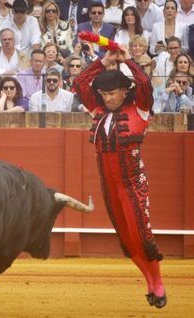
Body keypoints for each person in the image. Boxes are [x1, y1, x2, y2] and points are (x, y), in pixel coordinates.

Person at [73, 45, 167, 309]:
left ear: (124, 91)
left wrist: (130, 61)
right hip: (109, 185)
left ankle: (157, 283)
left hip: (133, 183)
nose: (107, 98)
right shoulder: (98, 111)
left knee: (141, 236)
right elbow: (80, 83)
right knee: (126, 240)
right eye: (103, 94)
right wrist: (102, 62)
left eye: (112, 93)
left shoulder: (140, 109)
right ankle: (149, 280)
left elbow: (145, 84)